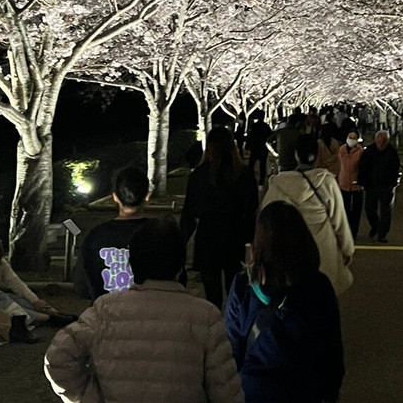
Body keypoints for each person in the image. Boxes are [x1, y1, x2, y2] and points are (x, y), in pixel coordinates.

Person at [45, 218, 243, 403]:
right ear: (180, 267)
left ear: (132, 265)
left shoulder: (105, 310)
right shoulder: (205, 315)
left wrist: (92, 397)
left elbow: (58, 358)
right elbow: (225, 391)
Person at [224, 202, 344, 403]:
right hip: (303, 390)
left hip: (253, 391)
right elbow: (331, 349)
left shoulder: (244, 284)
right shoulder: (317, 285)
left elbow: (232, 346)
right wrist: (330, 392)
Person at [262, 133, 354, 295]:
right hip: (323, 257)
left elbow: (265, 221)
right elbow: (339, 221)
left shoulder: (279, 185)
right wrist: (347, 250)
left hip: (288, 257)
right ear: (318, 156)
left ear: (296, 155)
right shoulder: (327, 182)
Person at [181, 126, 260, 308]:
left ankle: (215, 326)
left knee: (211, 294)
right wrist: (251, 239)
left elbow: (189, 213)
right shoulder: (244, 174)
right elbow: (252, 208)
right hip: (234, 236)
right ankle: (234, 326)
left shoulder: (199, 176)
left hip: (207, 237)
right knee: (235, 288)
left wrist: (182, 241)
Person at [75, 166, 149, 299]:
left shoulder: (95, 236)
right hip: (150, 312)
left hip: (107, 313)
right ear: (147, 195)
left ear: (115, 197)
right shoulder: (163, 234)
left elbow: (82, 286)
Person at [0, 234, 75, 326]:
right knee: (12, 306)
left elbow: (15, 282)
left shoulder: (1, 264)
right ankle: (48, 319)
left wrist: (35, 300)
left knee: (23, 300)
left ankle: (55, 313)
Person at [359, 130, 402, 242]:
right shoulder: (369, 151)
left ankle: (382, 234)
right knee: (369, 209)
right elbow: (363, 167)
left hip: (386, 186)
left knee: (386, 211)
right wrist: (363, 182)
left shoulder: (392, 152)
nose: (380, 144)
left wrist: (394, 183)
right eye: (378, 142)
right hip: (371, 186)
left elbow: (396, 168)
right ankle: (375, 225)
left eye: (383, 142)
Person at [336, 127, 365, 238]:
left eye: (354, 138)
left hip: (356, 184)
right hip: (343, 183)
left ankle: (354, 232)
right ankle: (345, 231)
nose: (351, 139)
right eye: (350, 137)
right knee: (344, 209)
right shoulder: (341, 149)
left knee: (356, 211)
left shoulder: (360, 151)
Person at [245, 114, 274, 186]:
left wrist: (247, 146)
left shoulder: (254, 126)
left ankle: (250, 180)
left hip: (255, 147)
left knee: (251, 165)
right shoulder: (266, 126)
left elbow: (250, 136)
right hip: (263, 148)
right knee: (262, 166)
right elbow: (270, 136)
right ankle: (261, 182)